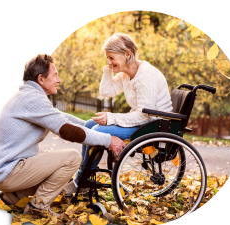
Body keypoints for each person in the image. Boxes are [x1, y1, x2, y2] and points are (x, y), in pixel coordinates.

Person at [0, 51, 126, 218]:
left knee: (61, 179)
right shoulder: (33, 99)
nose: (59, 80)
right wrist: (108, 139)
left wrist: (93, 126)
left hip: (5, 170)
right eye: (55, 75)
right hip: (9, 172)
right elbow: (67, 130)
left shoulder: (29, 96)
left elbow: (62, 117)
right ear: (41, 79)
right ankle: (38, 207)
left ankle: (13, 197)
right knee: (71, 159)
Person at [62, 33, 173, 195]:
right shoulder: (126, 74)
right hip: (143, 122)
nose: (109, 61)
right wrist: (108, 70)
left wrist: (111, 118)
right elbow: (106, 91)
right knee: (89, 126)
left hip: (153, 126)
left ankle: (81, 180)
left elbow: (144, 115)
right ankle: (84, 176)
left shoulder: (145, 77)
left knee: (98, 133)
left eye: (112, 58)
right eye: (108, 58)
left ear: (127, 54)